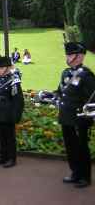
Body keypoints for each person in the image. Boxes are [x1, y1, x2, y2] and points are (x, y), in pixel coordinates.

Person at [56, 42, 95, 188]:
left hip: (80, 118)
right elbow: (61, 91)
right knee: (70, 147)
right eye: (67, 54)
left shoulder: (86, 75)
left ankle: (85, 177)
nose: (68, 57)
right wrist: (53, 96)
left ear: (80, 57)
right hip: (66, 117)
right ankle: (75, 173)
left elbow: (92, 98)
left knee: (81, 148)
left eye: (71, 54)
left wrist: (88, 116)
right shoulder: (65, 73)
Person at [0, 56, 24, 168]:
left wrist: (16, 115)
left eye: (1, 67)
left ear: (7, 68)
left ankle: (11, 158)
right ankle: (2, 156)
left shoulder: (14, 81)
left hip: (8, 113)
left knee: (10, 137)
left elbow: (18, 100)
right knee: (2, 136)